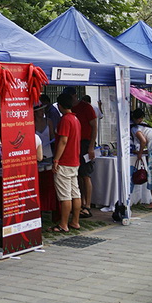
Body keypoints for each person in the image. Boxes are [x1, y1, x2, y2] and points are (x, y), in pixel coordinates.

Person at [63, 86, 97, 218]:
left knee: (86, 175)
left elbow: (94, 126)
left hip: (85, 143)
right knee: (77, 175)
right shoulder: (70, 109)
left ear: (74, 96)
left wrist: (91, 146)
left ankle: (87, 205)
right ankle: (80, 203)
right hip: (75, 143)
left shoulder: (86, 107)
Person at [51, 92, 82, 233]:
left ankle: (63, 224)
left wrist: (56, 159)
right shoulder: (76, 119)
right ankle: (75, 221)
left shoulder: (65, 120)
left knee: (65, 196)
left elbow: (63, 141)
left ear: (60, 105)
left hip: (65, 161)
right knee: (75, 193)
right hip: (74, 161)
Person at [134, 123, 152, 208]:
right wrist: (143, 151)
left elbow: (143, 141)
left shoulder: (136, 129)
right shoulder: (149, 129)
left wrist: (140, 152)